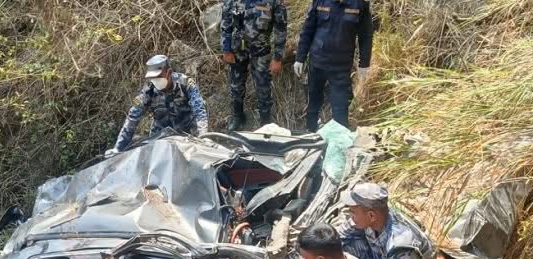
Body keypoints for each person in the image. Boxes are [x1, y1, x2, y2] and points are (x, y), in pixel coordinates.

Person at [293, 0, 374, 131]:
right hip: (317, 63)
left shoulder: (360, 4)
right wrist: (300, 58)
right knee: (313, 103)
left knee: (340, 108)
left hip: (341, 68)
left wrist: (364, 63)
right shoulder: (320, 1)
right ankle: (310, 132)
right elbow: (308, 29)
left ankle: (339, 142)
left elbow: (366, 34)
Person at [105, 55, 209, 156]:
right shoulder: (148, 91)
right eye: (152, 78)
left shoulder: (186, 84)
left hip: (188, 135)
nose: (155, 81)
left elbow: (199, 111)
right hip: (160, 138)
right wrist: (118, 148)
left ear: (169, 72)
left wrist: (203, 136)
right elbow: (133, 118)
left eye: (158, 77)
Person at [220, 0, 288, 130]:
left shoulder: (274, 2)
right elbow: (225, 22)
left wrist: (278, 58)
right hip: (237, 50)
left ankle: (265, 123)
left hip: (261, 52)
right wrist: (226, 49)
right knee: (236, 86)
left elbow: (281, 27)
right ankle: (238, 117)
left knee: (263, 88)